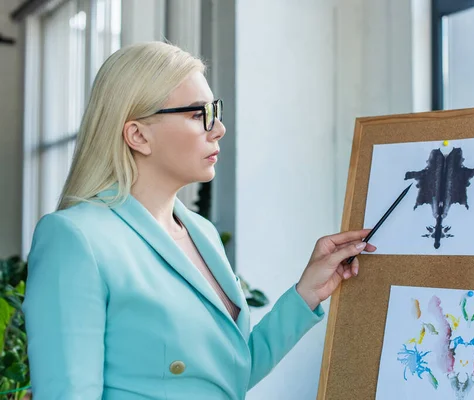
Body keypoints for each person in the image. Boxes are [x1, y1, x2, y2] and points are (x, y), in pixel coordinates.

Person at [22, 41, 375, 399]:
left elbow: (226, 375)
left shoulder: (200, 232)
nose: (218, 127)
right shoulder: (76, 238)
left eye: (215, 110)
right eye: (197, 114)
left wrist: (307, 293)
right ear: (138, 135)